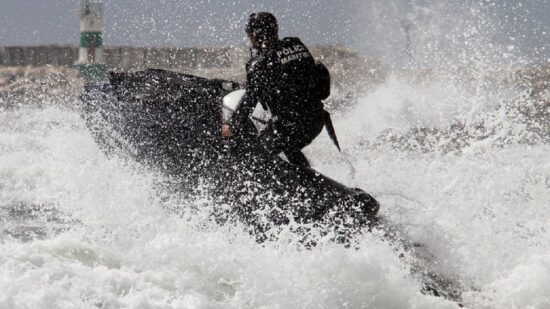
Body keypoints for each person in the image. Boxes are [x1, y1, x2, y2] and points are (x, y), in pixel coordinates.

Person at [221, 12, 336, 168]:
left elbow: (249, 100)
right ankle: (308, 175)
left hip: (291, 126)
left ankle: (305, 183)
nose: (249, 38)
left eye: (250, 34)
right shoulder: (296, 46)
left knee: (256, 157)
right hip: (316, 119)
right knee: (288, 146)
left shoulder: (259, 64)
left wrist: (231, 127)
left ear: (257, 34)